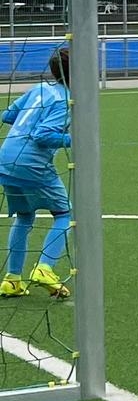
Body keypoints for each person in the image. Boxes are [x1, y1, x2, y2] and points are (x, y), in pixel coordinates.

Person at [0, 48, 75, 299]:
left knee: (24, 216)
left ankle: (12, 280)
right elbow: (43, 135)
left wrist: (29, 119)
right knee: (65, 214)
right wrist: (75, 138)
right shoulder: (66, 99)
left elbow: (7, 115)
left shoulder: (40, 89)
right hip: (31, 163)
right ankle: (44, 268)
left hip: (6, 159)